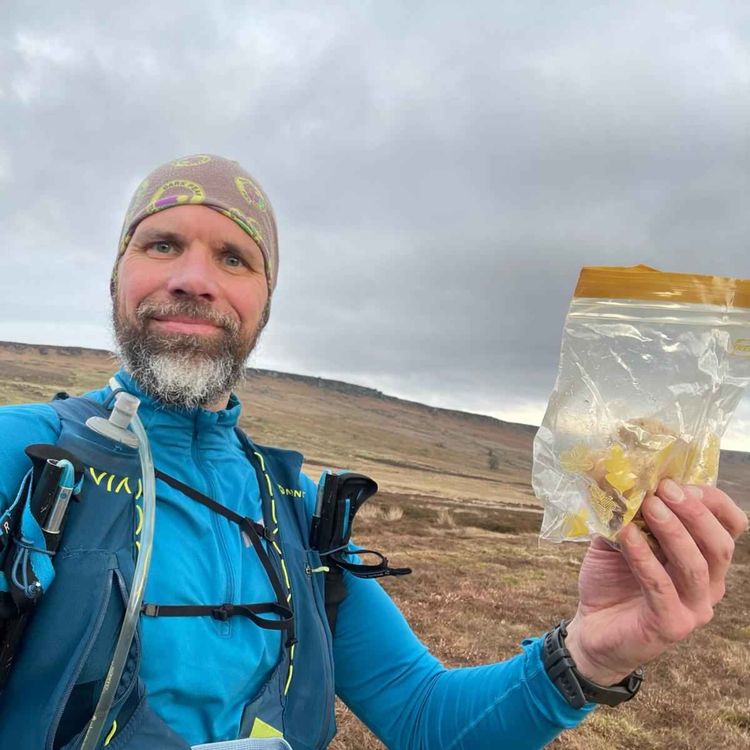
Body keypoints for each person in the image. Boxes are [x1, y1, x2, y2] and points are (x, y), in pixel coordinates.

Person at [0, 154, 746, 750]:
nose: (194, 280)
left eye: (234, 258)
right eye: (161, 245)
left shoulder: (299, 513)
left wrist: (588, 656)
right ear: (116, 275)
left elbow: (425, 719)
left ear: (264, 302)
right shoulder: (19, 456)